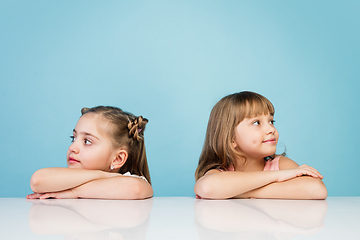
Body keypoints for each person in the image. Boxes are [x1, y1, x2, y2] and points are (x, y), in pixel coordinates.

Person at [194, 91, 327, 199]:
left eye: (271, 121)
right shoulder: (221, 171)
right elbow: (206, 187)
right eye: (256, 123)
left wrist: (239, 192)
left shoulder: (279, 164)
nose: (271, 129)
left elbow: (317, 189)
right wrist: (277, 176)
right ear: (231, 139)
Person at [27, 106, 153, 200]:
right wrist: (102, 175)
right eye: (73, 138)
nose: (72, 147)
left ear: (117, 159)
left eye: (87, 141)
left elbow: (136, 188)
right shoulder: (70, 177)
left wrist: (73, 192)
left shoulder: (128, 181)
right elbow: (37, 181)